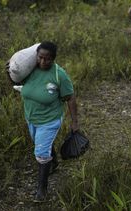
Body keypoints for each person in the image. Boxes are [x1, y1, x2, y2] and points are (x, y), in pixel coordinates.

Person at [7, 41, 79, 201]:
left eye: (47, 59)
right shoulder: (30, 70)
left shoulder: (59, 75)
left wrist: (74, 122)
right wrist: (10, 72)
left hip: (50, 120)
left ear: (53, 59)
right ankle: (53, 162)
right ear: (36, 56)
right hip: (31, 117)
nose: (43, 62)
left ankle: (42, 190)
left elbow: (70, 98)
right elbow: (16, 82)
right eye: (40, 58)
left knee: (40, 152)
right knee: (41, 143)